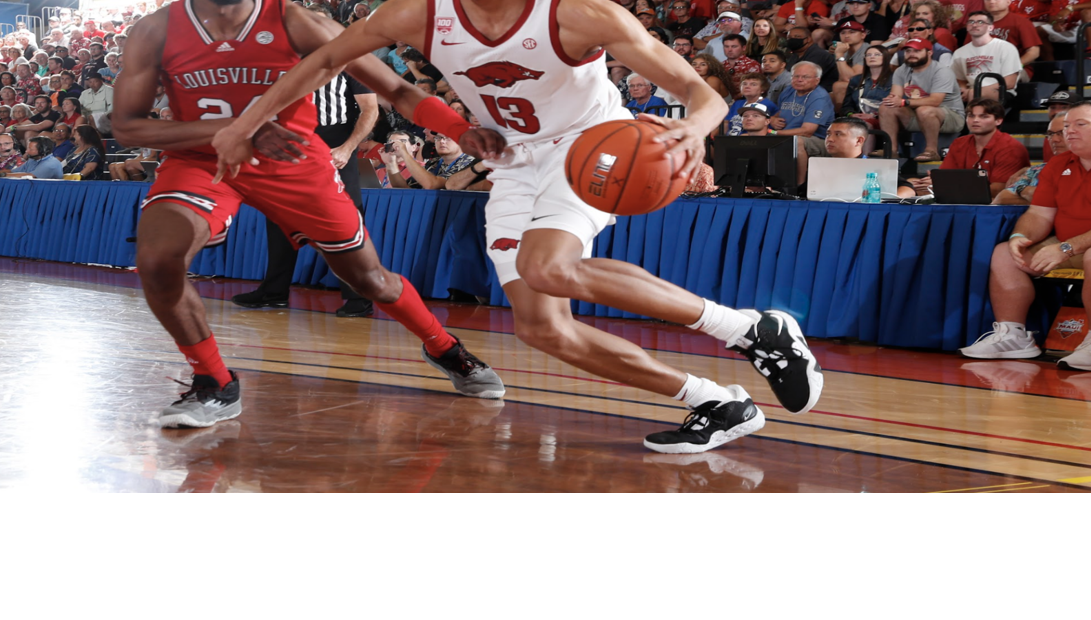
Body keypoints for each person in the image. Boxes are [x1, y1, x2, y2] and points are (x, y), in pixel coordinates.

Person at [216, 0, 825, 453]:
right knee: (542, 329)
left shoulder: (581, 15)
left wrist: (692, 130)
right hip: (511, 159)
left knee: (548, 267)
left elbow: (701, 92)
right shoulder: (417, 13)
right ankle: (714, 401)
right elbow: (324, 59)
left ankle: (749, 329)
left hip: (591, 151)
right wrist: (247, 122)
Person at [113, 0, 506, 428]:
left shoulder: (296, 21)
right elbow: (128, 127)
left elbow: (396, 89)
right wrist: (241, 129)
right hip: (202, 161)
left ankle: (444, 346)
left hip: (293, 160)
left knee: (368, 279)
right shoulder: (156, 29)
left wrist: (459, 129)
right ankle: (215, 383)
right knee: (157, 259)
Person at [960, 100, 1091, 371]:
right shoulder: (1059, 163)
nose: (1069, 131)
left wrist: (1067, 247)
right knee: (1006, 253)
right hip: (1073, 244)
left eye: (1081, 124)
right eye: (1067, 126)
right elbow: (1039, 215)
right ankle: (1013, 336)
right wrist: (1020, 235)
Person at [233, 71, 380, 315]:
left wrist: (347, 148)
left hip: (336, 141)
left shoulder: (350, 64)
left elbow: (370, 110)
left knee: (346, 218)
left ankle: (359, 298)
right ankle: (274, 291)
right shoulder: (286, 63)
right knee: (279, 216)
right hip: (292, 140)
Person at [901, 96, 1023, 195]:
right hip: (960, 196)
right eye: (971, 116)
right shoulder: (960, 143)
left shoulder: (1010, 147)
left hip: (995, 204)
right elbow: (946, 175)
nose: (975, 120)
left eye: (984, 116)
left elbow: (998, 189)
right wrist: (935, 183)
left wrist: (944, 184)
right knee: (910, 184)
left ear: (998, 121)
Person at [880, 37, 963, 162]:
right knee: (886, 107)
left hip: (950, 116)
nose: (911, 54)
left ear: (929, 53)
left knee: (925, 110)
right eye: (908, 51)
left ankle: (931, 151)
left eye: (917, 51)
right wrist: (891, 99)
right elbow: (895, 96)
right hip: (917, 114)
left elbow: (935, 101)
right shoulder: (901, 70)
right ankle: (891, 150)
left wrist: (904, 102)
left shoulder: (941, 71)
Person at [770, 59, 833, 168]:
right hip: (785, 135)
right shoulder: (789, 90)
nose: (799, 80)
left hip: (817, 140)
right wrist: (773, 119)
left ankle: (798, 183)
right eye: (795, 76)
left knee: (796, 142)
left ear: (817, 80)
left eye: (805, 77)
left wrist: (775, 133)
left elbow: (807, 131)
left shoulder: (819, 98)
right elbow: (781, 111)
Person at [991, 110, 1062, 204]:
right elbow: (1001, 199)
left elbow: (1064, 200)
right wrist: (1025, 190)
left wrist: (1024, 192)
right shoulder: (1036, 170)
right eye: (1050, 134)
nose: (1054, 139)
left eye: (1061, 133)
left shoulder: (1085, 167)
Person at [950, 10, 1019, 101]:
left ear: (990, 27)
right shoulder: (959, 52)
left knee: (974, 94)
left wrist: (976, 90)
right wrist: (963, 90)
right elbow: (960, 79)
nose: (974, 25)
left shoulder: (1006, 47)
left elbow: (1010, 82)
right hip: (971, 92)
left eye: (981, 22)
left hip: (1002, 92)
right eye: (971, 22)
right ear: (967, 27)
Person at [980, 0, 1039, 69]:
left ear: (1008, 2)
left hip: (1015, 69)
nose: (992, 1)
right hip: (982, 66)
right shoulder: (978, 23)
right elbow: (968, 49)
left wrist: (1015, 66)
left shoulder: (1021, 22)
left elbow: (1034, 52)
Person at [839, 40, 890, 114]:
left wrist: (874, 116)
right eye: (868, 55)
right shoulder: (856, 79)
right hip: (857, 118)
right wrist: (851, 114)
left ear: (886, 57)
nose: (872, 57)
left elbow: (895, 106)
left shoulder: (894, 79)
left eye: (877, 54)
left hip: (882, 118)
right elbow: (847, 105)